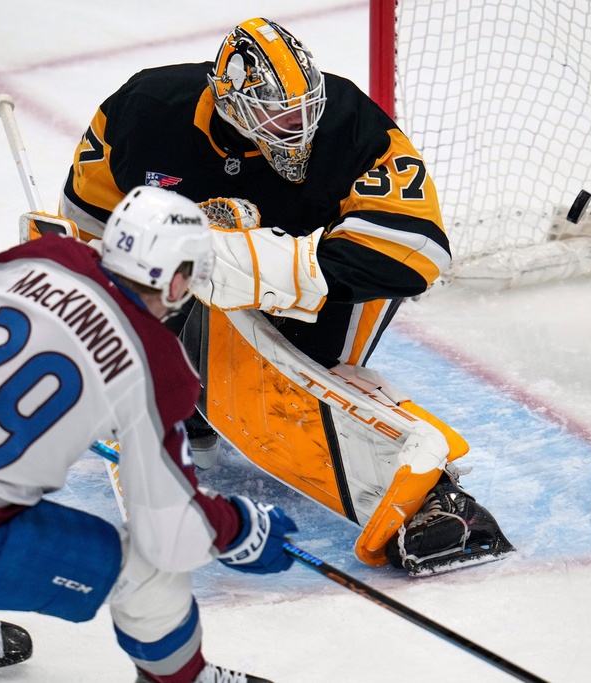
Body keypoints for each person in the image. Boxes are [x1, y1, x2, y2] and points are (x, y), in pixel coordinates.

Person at [58, 18, 512, 574]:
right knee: (145, 313)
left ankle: (437, 501)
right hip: (192, 280)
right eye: (280, 114)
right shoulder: (147, 107)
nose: (300, 127)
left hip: (321, 293)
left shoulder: (348, 123)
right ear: (230, 101)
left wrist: (270, 267)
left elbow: (420, 251)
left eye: (306, 110)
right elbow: (88, 219)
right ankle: (194, 401)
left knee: (297, 391)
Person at [0, 185, 296, 683]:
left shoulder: (50, 254)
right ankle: (182, 679)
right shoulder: (160, 367)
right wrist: (237, 527)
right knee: (148, 572)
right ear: (172, 281)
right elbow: (170, 534)